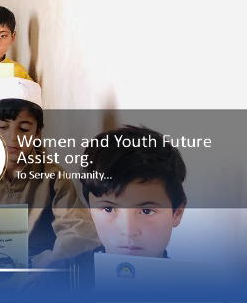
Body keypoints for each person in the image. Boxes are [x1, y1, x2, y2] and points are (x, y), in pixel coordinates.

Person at [0, 78, 100, 270]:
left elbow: (79, 229)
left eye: (24, 129)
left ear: (37, 133)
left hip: (37, 268)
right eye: (3, 127)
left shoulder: (54, 177)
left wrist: (47, 264)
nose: (13, 137)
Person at [48, 126, 189, 294]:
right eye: (108, 209)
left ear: (177, 213)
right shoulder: (58, 280)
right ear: (90, 211)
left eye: (146, 211)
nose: (128, 231)